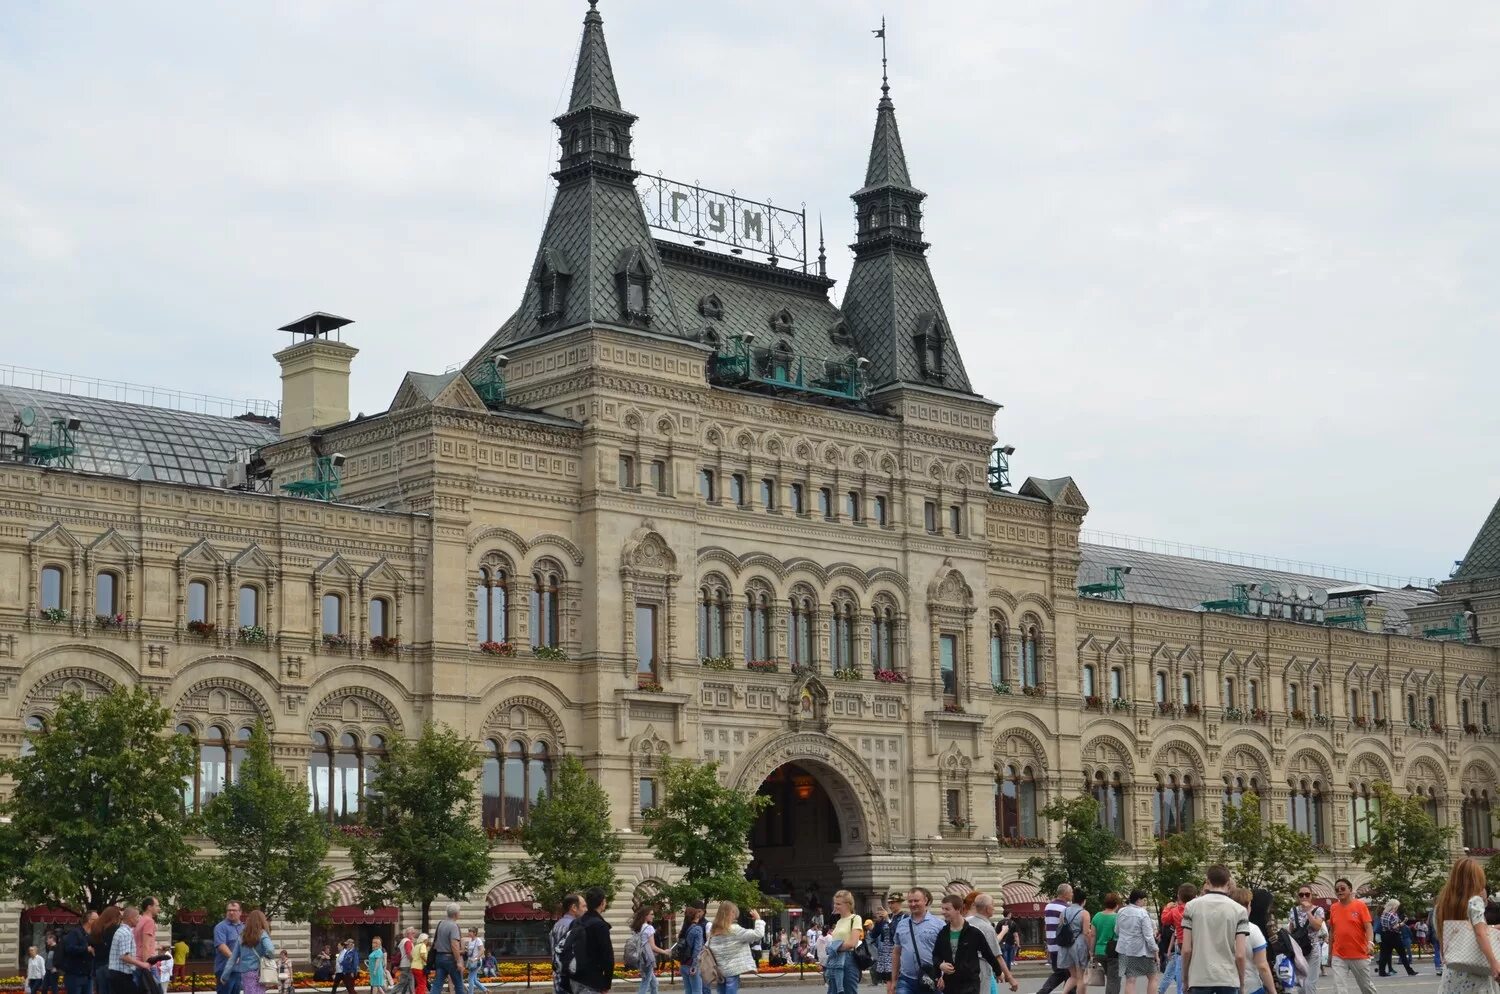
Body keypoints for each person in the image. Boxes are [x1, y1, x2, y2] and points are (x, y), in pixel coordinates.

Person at [1434, 857, 1500, 994]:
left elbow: (1444, 938)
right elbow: (1480, 933)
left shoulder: (1441, 905)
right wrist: (1494, 963)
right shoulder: (1475, 902)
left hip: (1452, 973)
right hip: (1475, 974)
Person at [1180, 865, 1249, 994]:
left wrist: (1185, 980)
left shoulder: (1191, 907)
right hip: (1228, 978)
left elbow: (1186, 949)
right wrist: (1242, 983)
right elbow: (1240, 954)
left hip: (1199, 978)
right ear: (1228, 882)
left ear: (1207, 881)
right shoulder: (1239, 911)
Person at [933, 894, 1012, 994]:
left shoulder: (973, 932)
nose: (943, 912)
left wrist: (998, 972)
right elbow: (935, 955)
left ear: (958, 909)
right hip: (950, 985)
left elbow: (988, 954)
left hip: (970, 984)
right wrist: (940, 967)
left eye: (947, 909)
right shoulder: (943, 933)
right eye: (942, 908)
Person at [889, 888, 943, 994]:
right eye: (910, 901)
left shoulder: (939, 924)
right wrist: (894, 980)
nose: (913, 904)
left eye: (916, 901)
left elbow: (947, 953)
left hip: (931, 978)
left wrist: (943, 976)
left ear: (925, 900)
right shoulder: (902, 924)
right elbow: (896, 952)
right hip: (906, 979)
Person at [1326, 879, 1376, 994]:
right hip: (1339, 955)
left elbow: (1368, 927)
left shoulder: (1360, 906)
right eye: (1337, 889)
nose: (1339, 891)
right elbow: (1332, 931)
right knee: (1339, 988)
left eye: (1342, 888)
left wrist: (1370, 943)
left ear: (1350, 889)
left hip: (1358, 954)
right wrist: (1329, 954)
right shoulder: (1333, 908)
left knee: (1366, 986)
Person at [706, 902, 764, 994]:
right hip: (732, 971)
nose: (735, 917)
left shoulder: (713, 931)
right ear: (731, 913)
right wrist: (758, 919)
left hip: (720, 971)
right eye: (734, 914)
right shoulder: (734, 930)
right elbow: (758, 934)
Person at [968, 894, 1019, 994]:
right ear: (987, 909)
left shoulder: (966, 921)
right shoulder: (987, 928)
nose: (994, 908)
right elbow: (997, 955)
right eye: (993, 905)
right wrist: (1010, 978)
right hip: (981, 968)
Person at [571, 887, 615, 994]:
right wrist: (607, 983)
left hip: (574, 976)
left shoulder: (576, 922)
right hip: (592, 979)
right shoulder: (600, 925)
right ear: (602, 902)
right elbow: (607, 956)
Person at [1232, 891, 1277, 994]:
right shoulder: (1252, 929)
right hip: (1251, 986)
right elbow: (1262, 966)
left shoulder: (1221, 927)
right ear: (1248, 906)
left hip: (1226, 985)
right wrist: (1273, 991)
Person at [1115, 890, 1158, 994]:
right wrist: (1155, 950)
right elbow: (1148, 936)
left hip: (1124, 950)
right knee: (1153, 977)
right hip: (1140, 950)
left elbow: (1116, 930)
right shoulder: (1142, 913)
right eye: (1144, 900)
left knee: (1130, 980)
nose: (1145, 902)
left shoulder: (1121, 911)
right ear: (1138, 900)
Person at [824, 890, 866, 994]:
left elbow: (852, 943)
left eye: (838, 904)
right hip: (835, 960)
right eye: (835, 903)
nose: (835, 906)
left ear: (848, 905)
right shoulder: (838, 921)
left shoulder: (855, 918)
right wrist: (834, 947)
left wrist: (833, 947)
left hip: (849, 959)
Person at [1035, 885, 1074, 994]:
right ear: (1065, 893)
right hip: (1063, 946)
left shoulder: (1048, 906)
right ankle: (1043, 992)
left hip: (1052, 945)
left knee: (1064, 973)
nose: (1072, 894)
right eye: (1071, 892)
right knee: (1068, 974)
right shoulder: (1066, 909)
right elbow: (1070, 928)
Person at [1054, 888, 1092, 994]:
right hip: (1079, 945)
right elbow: (1086, 932)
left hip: (1065, 945)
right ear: (1084, 900)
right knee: (1081, 977)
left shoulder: (1064, 911)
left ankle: (1063, 993)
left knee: (1073, 976)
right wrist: (1091, 949)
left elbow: (1061, 927)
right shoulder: (1084, 913)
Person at [1290, 887, 1327, 994]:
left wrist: (1308, 912)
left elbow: (1317, 926)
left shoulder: (1318, 910)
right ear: (1298, 897)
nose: (1304, 897)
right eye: (1301, 895)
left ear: (1311, 895)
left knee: (1310, 982)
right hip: (1298, 950)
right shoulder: (1293, 910)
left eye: (1307, 894)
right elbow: (1292, 929)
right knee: (1300, 982)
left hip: (1313, 950)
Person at [1158, 887, 1195, 994]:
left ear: (1179, 896)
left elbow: (1164, 920)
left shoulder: (1174, 911)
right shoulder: (1196, 908)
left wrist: (1167, 907)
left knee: (1181, 977)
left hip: (1181, 945)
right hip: (1196, 944)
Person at [110, 908, 152, 994]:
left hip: (118, 974)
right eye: (137, 917)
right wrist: (143, 964)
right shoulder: (125, 933)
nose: (139, 920)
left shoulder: (123, 931)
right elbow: (124, 956)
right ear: (130, 918)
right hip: (121, 974)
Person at [236, 910, 277, 994]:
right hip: (258, 971)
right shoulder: (262, 933)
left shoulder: (243, 935)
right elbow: (270, 950)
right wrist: (268, 957)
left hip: (245, 971)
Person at [630, 908, 670, 994]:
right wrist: (664, 952)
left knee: (654, 983)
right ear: (645, 916)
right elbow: (653, 946)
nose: (653, 916)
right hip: (647, 958)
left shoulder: (638, 927)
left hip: (640, 957)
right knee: (645, 983)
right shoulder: (649, 928)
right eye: (651, 914)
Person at [430, 904, 465, 994]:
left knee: (437, 984)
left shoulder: (441, 924)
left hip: (439, 957)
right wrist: (458, 961)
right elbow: (454, 945)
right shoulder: (453, 926)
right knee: (458, 984)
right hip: (450, 959)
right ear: (455, 914)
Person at [553, 895, 584, 994]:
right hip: (569, 981)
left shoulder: (557, 924)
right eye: (584, 906)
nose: (586, 910)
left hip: (558, 978)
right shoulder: (572, 927)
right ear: (574, 908)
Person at [58, 912, 95, 994]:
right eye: (97, 919)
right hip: (75, 975)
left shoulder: (92, 935)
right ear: (89, 920)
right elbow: (69, 949)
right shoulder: (75, 932)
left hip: (88, 975)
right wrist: (85, 949)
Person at [214, 903, 247, 994]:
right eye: (229, 910)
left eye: (234, 910)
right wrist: (234, 958)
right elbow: (221, 945)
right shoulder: (220, 927)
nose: (231, 912)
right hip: (224, 970)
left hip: (239, 970)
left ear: (240, 912)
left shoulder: (244, 928)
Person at [1092, 894, 1120, 994]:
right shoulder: (1117, 917)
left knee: (1110, 978)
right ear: (1116, 905)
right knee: (1114, 981)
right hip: (1113, 952)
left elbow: (1093, 936)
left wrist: (1092, 952)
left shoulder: (1097, 916)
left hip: (1099, 952)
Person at [93, 908, 125, 994]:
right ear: (115, 917)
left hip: (99, 966)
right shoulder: (116, 929)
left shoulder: (97, 930)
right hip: (112, 966)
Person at [678, 903, 707, 994]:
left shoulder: (684, 929)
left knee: (688, 991)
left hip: (683, 963)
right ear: (695, 917)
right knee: (697, 991)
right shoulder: (697, 929)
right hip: (692, 964)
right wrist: (694, 965)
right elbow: (697, 949)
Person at [136, 900, 161, 993]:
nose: (159, 908)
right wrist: (147, 966)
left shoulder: (139, 920)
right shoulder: (149, 921)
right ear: (149, 907)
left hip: (138, 962)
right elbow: (145, 945)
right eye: (157, 906)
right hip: (148, 963)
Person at [1376, 901, 1403, 977]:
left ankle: (1386, 969)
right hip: (1383, 935)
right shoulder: (1384, 915)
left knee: (1385, 953)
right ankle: (1385, 970)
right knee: (1386, 954)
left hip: (1380, 936)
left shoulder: (1381, 915)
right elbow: (1382, 927)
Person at [465, 929, 487, 994]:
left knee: (470, 979)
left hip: (476, 962)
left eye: (470, 932)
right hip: (471, 962)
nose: (469, 933)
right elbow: (471, 952)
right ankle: (486, 990)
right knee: (474, 980)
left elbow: (482, 950)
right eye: (469, 931)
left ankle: (470, 993)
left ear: (474, 933)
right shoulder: (470, 940)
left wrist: (476, 958)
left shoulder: (478, 940)